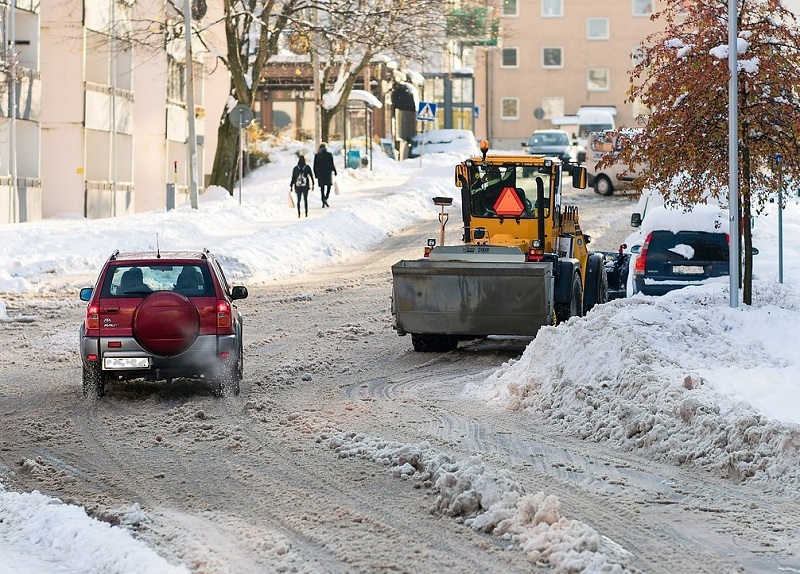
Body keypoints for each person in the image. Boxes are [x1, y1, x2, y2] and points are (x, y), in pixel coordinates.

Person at [313, 142, 337, 208]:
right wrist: (335, 171)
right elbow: (332, 164)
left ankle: (323, 199)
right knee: (329, 186)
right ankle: (326, 197)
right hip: (328, 173)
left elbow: (315, 166)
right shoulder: (329, 155)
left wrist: (315, 174)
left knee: (322, 187)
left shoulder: (317, 156)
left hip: (320, 173)